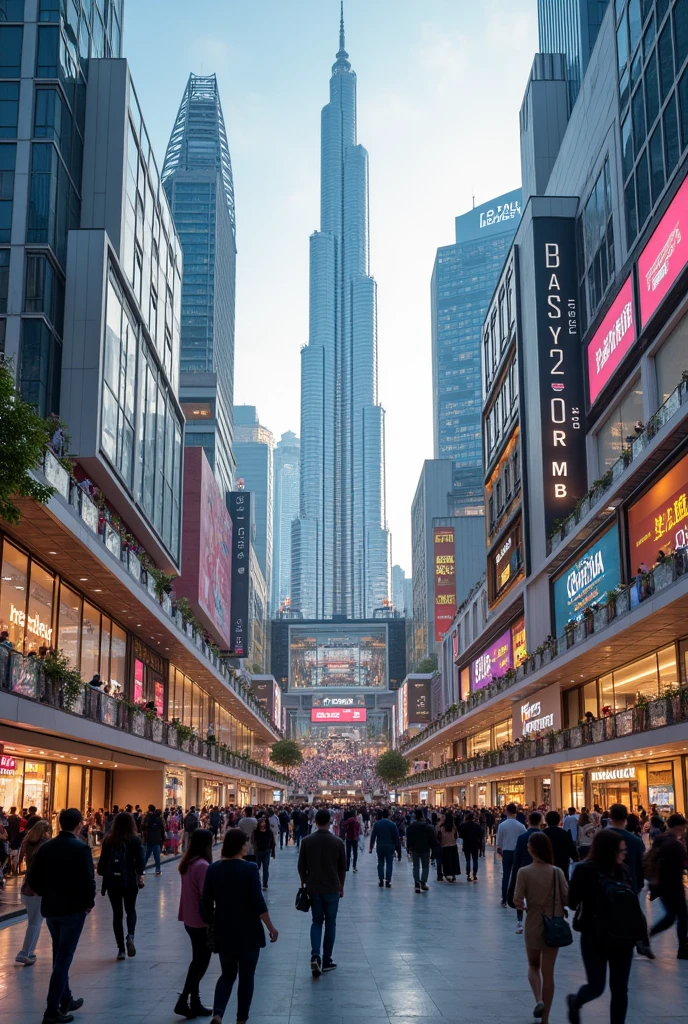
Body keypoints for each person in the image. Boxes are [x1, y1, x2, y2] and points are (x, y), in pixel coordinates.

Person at [566, 829, 645, 1024]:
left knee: (618, 988)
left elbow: (572, 902)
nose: (624, 854)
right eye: (621, 850)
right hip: (597, 935)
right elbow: (574, 901)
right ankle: (576, 1001)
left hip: (619, 936)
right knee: (598, 985)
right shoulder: (587, 870)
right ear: (609, 850)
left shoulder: (621, 869)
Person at [201, 829, 278, 1024]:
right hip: (249, 931)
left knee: (227, 974)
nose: (247, 846)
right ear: (240, 845)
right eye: (245, 843)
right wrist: (270, 927)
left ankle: (218, 1013)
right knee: (246, 976)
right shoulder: (250, 869)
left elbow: (206, 903)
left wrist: (211, 922)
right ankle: (241, 1019)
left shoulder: (213, 869)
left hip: (224, 929)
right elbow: (258, 902)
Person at [27, 808, 95, 1024]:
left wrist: (44, 892)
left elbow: (33, 877)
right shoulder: (81, 848)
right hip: (73, 909)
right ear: (79, 825)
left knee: (59, 952)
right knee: (64, 957)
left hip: (52, 908)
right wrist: (88, 904)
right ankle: (52, 1009)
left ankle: (66, 998)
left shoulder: (47, 847)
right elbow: (88, 880)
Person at [514, 832, 568, 1024]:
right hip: (554, 922)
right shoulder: (556, 872)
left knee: (533, 965)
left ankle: (538, 1000)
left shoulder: (524, 872)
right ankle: (545, 1018)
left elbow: (517, 900)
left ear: (531, 849)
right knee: (549, 971)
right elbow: (567, 898)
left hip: (534, 921)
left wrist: (526, 906)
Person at [298, 808, 346, 976]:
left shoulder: (306, 841)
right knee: (331, 923)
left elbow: (301, 866)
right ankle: (327, 960)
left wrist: (304, 882)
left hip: (314, 887)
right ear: (331, 821)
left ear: (315, 822)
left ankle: (315, 955)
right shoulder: (338, 842)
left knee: (316, 921)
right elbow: (342, 868)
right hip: (332, 887)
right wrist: (341, 886)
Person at [176, 828, 214, 1019]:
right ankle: (185, 999)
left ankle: (194, 1001)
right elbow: (205, 896)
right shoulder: (203, 866)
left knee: (197, 960)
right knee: (201, 962)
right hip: (200, 920)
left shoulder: (188, 863)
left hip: (190, 919)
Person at [97, 810, 145, 960]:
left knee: (117, 915)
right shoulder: (135, 840)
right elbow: (141, 863)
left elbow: (101, 866)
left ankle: (121, 950)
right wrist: (140, 875)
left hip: (113, 882)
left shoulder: (109, 840)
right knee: (131, 910)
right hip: (130, 880)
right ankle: (130, 936)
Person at [647, 812, 688, 957]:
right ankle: (683, 948)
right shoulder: (675, 844)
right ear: (678, 827)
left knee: (672, 916)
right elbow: (685, 863)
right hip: (673, 884)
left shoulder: (660, 838)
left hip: (661, 884)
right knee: (682, 916)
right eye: (683, 828)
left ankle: (647, 937)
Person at [15, 819, 52, 966]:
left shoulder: (27, 843)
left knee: (34, 920)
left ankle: (28, 952)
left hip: (27, 884)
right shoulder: (45, 845)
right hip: (38, 887)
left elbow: (19, 861)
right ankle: (25, 952)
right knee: (35, 922)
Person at [508, 811, 543, 934]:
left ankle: (519, 922)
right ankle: (538, 920)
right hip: (541, 870)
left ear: (528, 820)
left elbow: (517, 856)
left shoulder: (522, 837)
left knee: (521, 895)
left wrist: (515, 871)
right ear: (540, 821)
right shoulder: (544, 836)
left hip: (524, 868)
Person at [496, 803, 526, 907]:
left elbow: (499, 840)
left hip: (507, 851)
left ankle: (504, 898)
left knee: (506, 875)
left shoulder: (502, 825)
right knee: (517, 875)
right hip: (517, 852)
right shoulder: (521, 826)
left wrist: (499, 849)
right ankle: (515, 896)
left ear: (507, 811)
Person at [406, 809, 437, 893]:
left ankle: (416, 884)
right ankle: (423, 882)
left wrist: (408, 848)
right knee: (425, 866)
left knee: (416, 866)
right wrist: (433, 848)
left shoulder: (411, 827)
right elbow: (433, 839)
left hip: (415, 849)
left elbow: (408, 838)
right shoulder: (429, 827)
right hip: (425, 849)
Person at [369, 808, 401, 888]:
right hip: (390, 846)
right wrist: (398, 850)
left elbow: (373, 836)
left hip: (380, 846)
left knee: (380, 863)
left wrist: (371, 847)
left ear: (382, 815)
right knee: (389, 863)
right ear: (389, 815)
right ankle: (388, 881)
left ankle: (380, 880)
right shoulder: (392, 824)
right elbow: (396, 838)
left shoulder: (377, 824)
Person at [542, 811, 578, 876]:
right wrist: (575, 858)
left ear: (546, 821)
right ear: (559, 821)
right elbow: (571, 849)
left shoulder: (542, 834)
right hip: (562, 864)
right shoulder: (564, 833)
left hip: (545, 864)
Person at [458, 810, 483, 882]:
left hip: (466, 844)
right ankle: (474, 874)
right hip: (475, 844)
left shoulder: (463, 825)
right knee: (475, 860)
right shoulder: (477, 826)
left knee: (468, 860)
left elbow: (460, 835)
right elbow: (480, 836)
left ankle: (468, 874)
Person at [253, 814, 276, 890]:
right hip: (258, 851)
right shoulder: (256, 832)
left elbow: (272, 842)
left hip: (266, 851)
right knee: (257, 868)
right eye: (261, 822)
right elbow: (253, 841)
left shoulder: (269, 832)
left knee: (265, 868)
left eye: (264, 822)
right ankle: (257, 883)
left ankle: (265, 885)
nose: (263, 824)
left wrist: (272, 851)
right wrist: (255, 848)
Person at [438, 811, 461, 883]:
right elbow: (456, 836)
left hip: (444, 846)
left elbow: (439, 836)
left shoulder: (442, 827)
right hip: (453, 845)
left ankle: (446, 873)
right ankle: (453, 874)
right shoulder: (453, 827)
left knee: (446, 861)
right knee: (453, 861)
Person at [141, 804, 164, 875]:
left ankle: (142, 869)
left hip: (148, 838)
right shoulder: (158, 818)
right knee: (157, 856)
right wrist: (162, 838)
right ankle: (157, 870)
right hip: (156, 839)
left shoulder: (147, 817)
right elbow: (162, 829)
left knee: (146, 856)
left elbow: (143, 827)